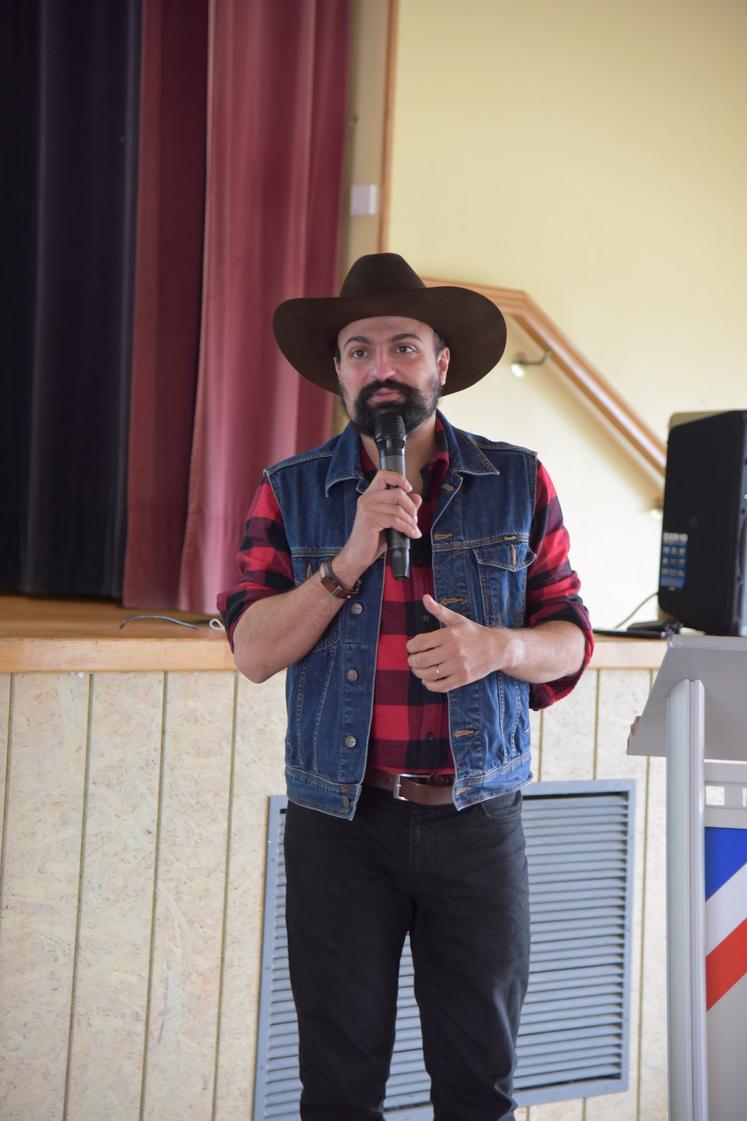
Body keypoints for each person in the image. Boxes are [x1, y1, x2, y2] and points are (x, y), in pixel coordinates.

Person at [218, 253, 593, 1121]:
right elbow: (252, 648)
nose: (380, 367)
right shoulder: (291, 491)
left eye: (401, 346)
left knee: (477, 1082)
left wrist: (496, 648)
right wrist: (349, 556)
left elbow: (570, 641)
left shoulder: (518, 480)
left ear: (440, 364)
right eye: (359, 350)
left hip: (476, 822)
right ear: (339, 371)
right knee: (339, 1088)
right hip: (340, 828)